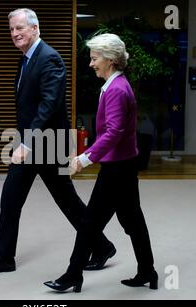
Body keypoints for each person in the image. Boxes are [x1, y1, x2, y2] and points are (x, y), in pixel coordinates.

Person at [0, 8, 116, 276]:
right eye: (12, 30)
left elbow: (49, 105)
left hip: (49, 144)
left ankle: (102, 246)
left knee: (67, 200)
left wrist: (27, 143)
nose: (15, 34)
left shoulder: (50, 58)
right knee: (11, 198)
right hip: (31, 143)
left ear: (35, 28)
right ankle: (4, 256)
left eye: (20, 28)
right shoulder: (26, 59)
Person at [44, 33, 157, 292]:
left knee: (90, 223)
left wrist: (85, 158)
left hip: (117, 169)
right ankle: (147, 271)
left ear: (110, 59)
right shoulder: (117, 85)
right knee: (132, 221)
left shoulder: (116, 89)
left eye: (95, 58)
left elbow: (114, 131)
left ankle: (73, 274)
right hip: (123, 165)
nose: (91, 64)